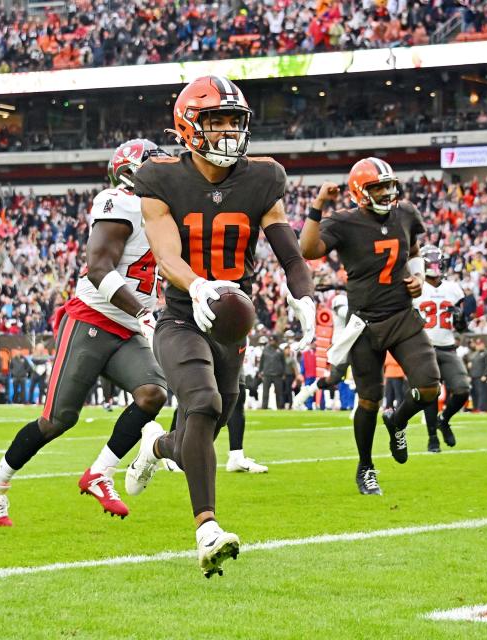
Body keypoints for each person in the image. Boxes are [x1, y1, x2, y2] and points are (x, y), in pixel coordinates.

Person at [127, 76, 316, 578]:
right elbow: (167, 255)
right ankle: (207, 530)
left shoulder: (263, 177)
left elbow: (290, 252)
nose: (229, 130)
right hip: (182, 316)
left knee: (200, 431)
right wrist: (197, 286)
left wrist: (306, 299)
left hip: (232, 323)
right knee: (205, 405)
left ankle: (156, 445)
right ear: (189, 126)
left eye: (235, 120)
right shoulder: (158, 178)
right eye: (217, 121)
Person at [0, 139, 169, 527]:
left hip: (127, 326)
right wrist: (146, 313)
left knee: (152, 394)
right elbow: (98, 269)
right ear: (131, 171)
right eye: (155, 165)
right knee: (58, 420)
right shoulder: (118, 202)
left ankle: (100, 472)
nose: (164, 171)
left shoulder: (164, 213)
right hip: (92, 319)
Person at [299, 157, 440, 495]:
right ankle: (366, 467)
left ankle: (398, 420)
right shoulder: (345, 222)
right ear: (360, 192)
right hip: (364, 323)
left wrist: (418, 275)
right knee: (368, 400)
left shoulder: (405, 213)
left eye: (389, 185)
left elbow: (415, 250)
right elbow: (307, 248)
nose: (387, 192)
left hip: (402, 315)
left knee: (430, 386)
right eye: (378, 187)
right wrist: (318, 205)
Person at [413, 245, 469, 452]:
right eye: (432, 264)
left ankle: (444, 420)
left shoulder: (453, 288)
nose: (436, 269)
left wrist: (461, 318)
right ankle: (432, 438)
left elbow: (463, 327)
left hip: (448, 347)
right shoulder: (416, 288)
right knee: (430, 393)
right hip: (425, 348)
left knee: (463, 389)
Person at [292, 293, 351, 410]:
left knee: (362, 376)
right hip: (341, 344)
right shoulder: (341, 299)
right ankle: (307, 392)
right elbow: (345, 313)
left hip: (356, 343)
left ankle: (358, 408)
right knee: (334, 378)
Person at [258, 336, 286, 409]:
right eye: (270, 340)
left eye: (273, 340)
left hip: (278, 374)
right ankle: (264, 406)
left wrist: (284, 373)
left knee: (279, 392)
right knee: (265, 392)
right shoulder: (265, 350)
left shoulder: (280, 350)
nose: (271, 342)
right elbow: (262, 361)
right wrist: (260, 371)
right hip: (267, 374)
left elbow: (284, 363)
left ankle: (280, 407)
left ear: (276, 341)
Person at [469, 338, 487, 412]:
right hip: (473, 376)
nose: (479, 346)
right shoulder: (474, 353)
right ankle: (475, 407)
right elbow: (471, 365)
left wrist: (485, 375)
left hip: (480, 376)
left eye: (480, 344)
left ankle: (480, 408)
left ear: (483, 345)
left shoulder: (486, 354)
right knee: (474, 393)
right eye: (477, 344)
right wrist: (469, 374)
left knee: (481, 393)